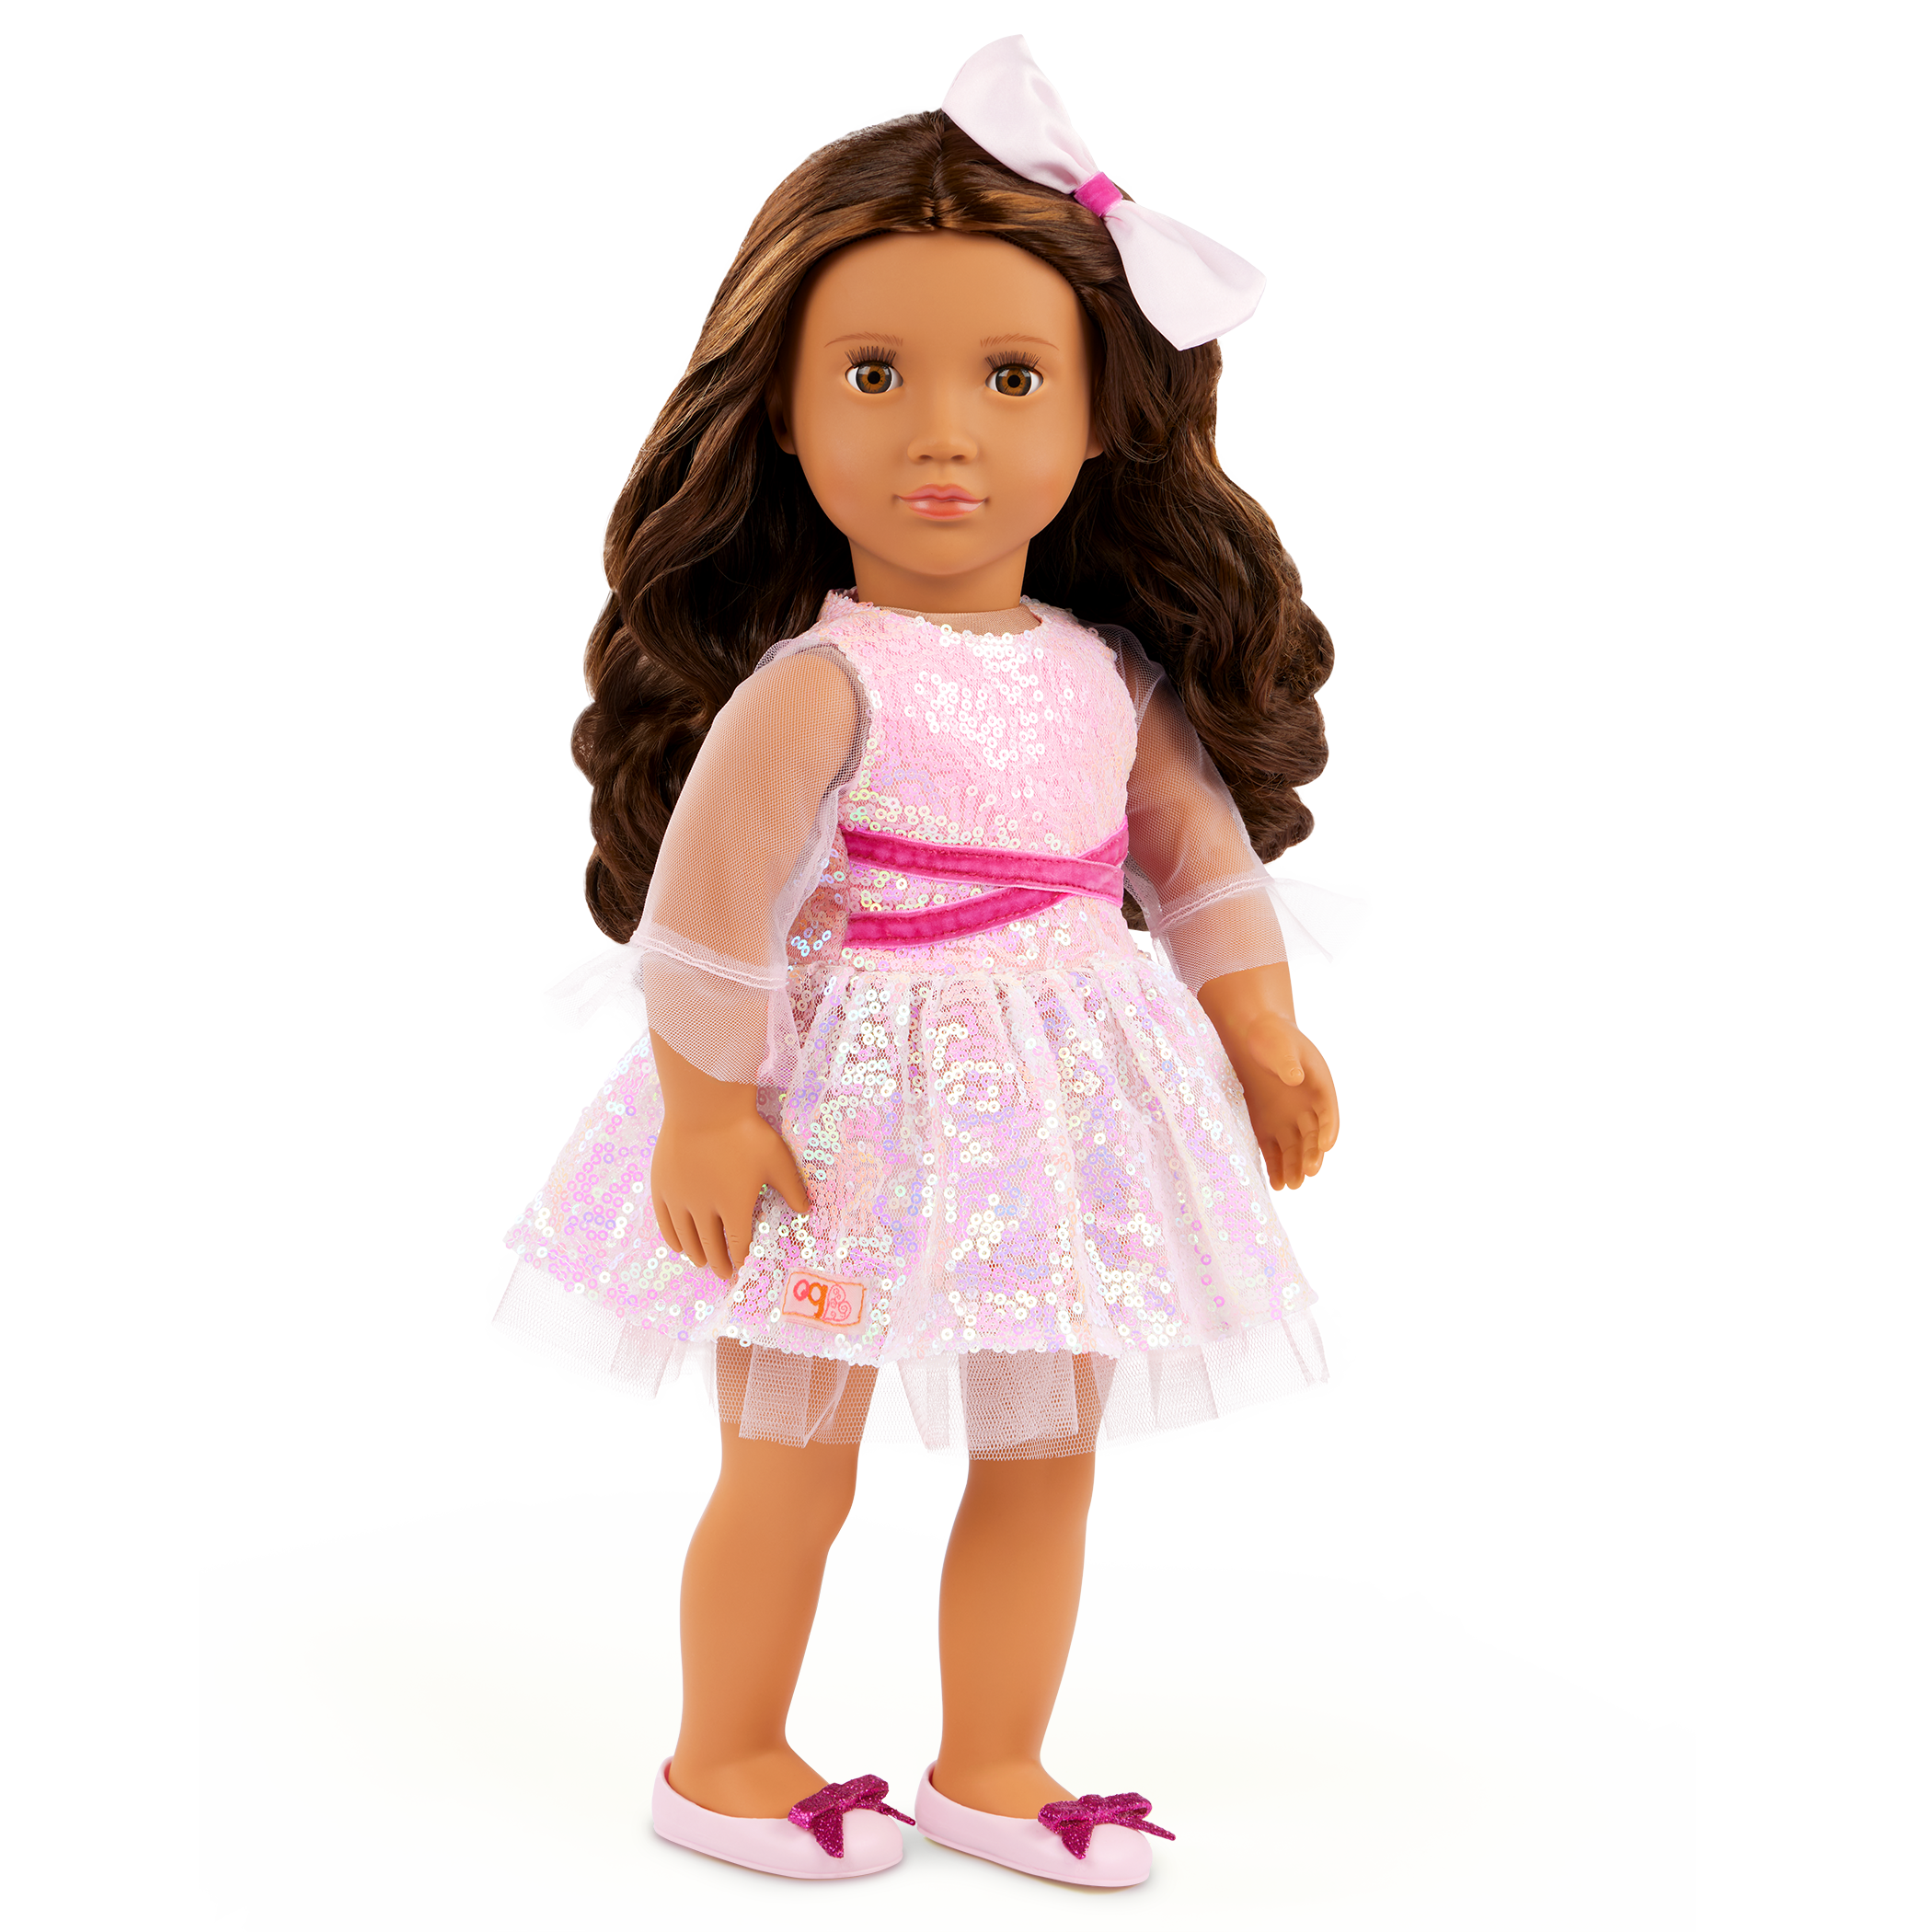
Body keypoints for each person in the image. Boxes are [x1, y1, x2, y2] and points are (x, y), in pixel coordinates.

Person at [485, 36, 1369, 1893]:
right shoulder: (818, 685)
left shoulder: (1105, 675)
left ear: (1103, 413)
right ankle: (725, 1755)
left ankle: (996, 1764)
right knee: (790, 1459)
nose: (941, 433)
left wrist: (1264, 1031)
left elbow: (1197, 863)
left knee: (1047, 1454)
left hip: (1058, 1130)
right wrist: (706, 1108)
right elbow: (709, 918)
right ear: (784, 414)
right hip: (838, 1129)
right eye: (874, 374)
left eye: (1010, 376)